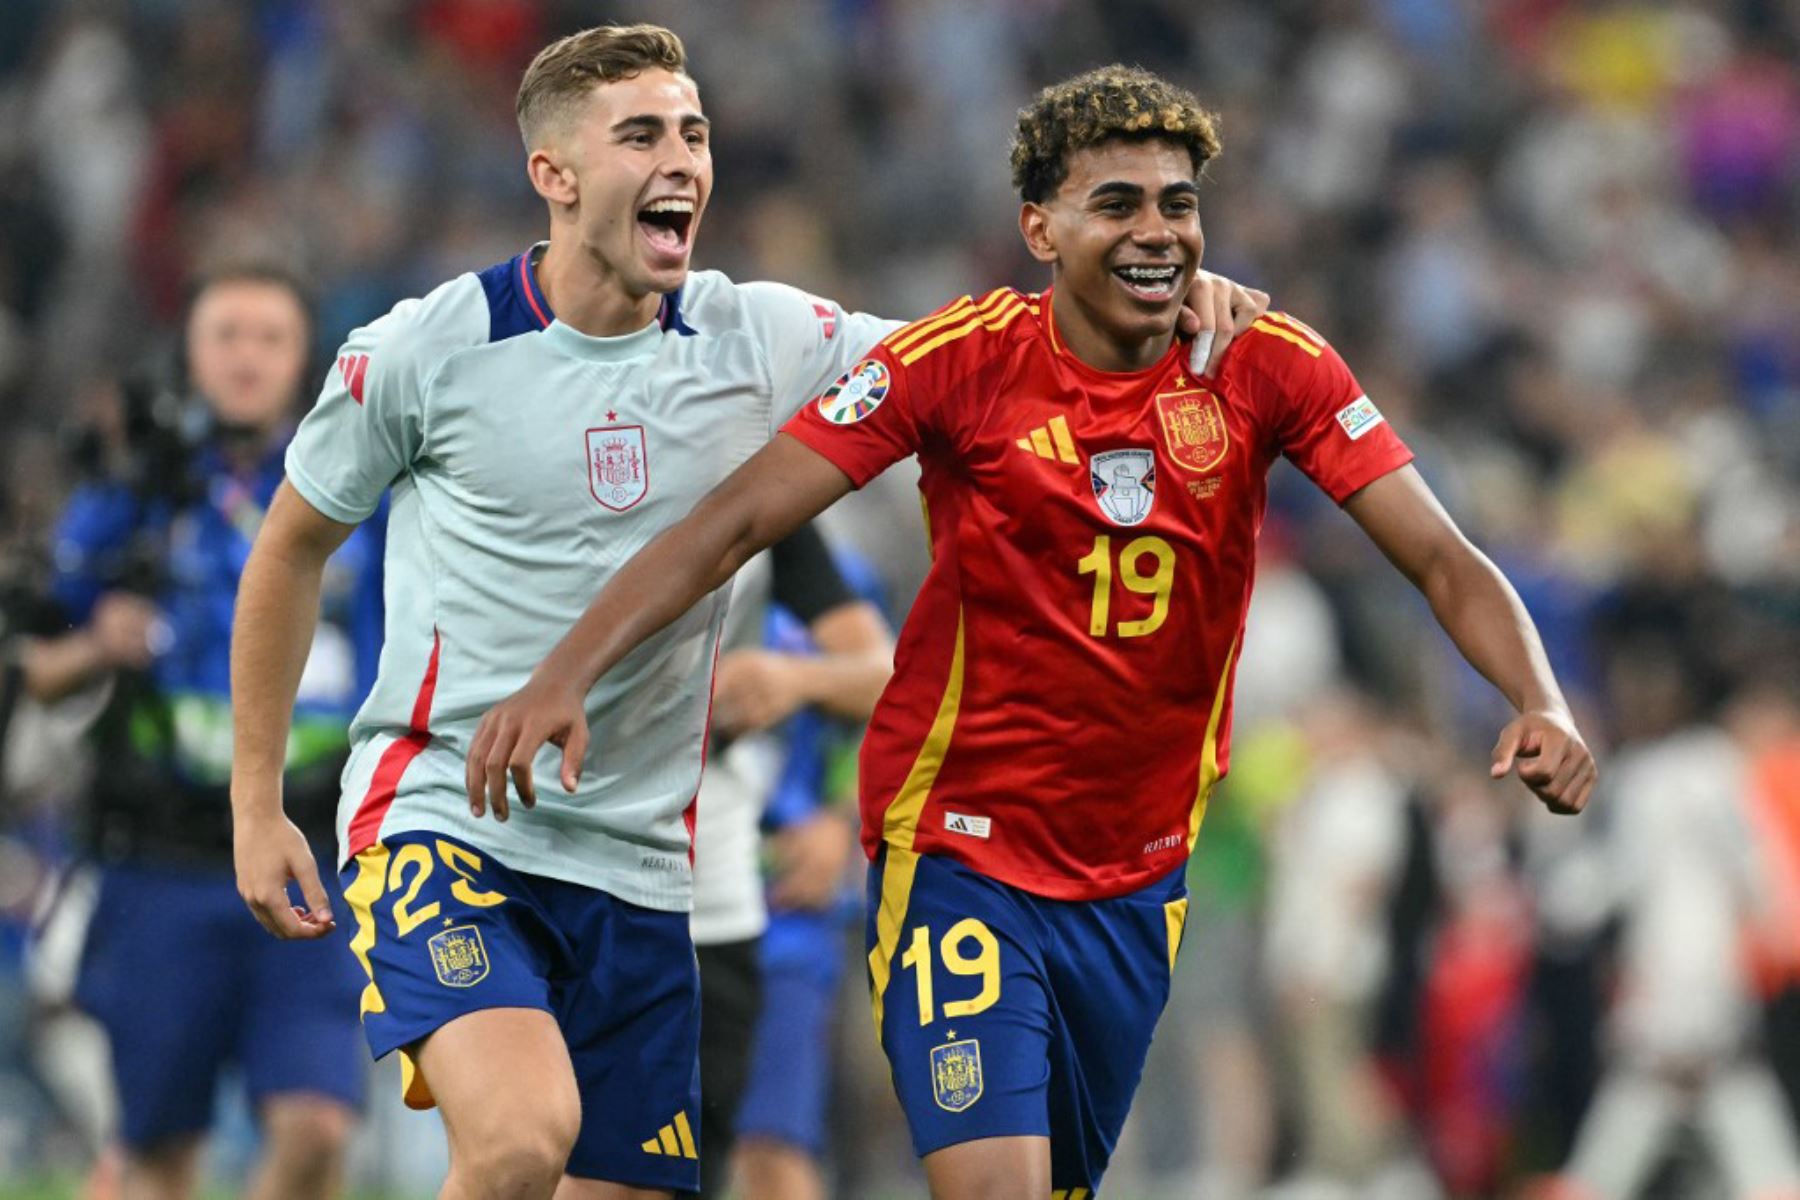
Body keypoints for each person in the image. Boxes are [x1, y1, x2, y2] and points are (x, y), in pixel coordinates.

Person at [467, 64, 1598, 1200]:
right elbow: (733, 522)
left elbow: (1442, 556)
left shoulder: (1268, 366)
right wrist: (566, 672)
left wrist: (1539, 699)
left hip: (1136, 877)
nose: (1157, 232)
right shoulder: (959, 361)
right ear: (1039, 227)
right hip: (958, 849)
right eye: (1117, 205)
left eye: (1178, 205)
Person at [228, 25, 1267, 1200]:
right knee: (521, 1137)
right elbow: (289, 550)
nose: (681, 160)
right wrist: (256, 805)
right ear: (554, 176)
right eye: (641, 136)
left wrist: (1159, 287)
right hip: (446, 817)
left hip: (645, 865)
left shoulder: (765, 338)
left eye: (694, 134)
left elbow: (995, 362)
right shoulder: (427, 350)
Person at [19, 263, 379, 1200]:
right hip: (162, 863)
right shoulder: (136, 489)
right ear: (190, 354)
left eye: (269, 337)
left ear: (306, 359)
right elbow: (35, 665)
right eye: (226, 336)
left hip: (316, 857)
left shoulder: (359, 491)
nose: (247, 357)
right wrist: (98, 643)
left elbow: (400, 655)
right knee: (159, 1155)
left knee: (317, 1126)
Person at [689, 521, 891, 1197]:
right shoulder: (660, 551)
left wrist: (841, 824)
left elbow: (889, 704)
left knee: (772, 1142)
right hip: (652, 881)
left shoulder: (836, 584)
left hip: (785, 911)